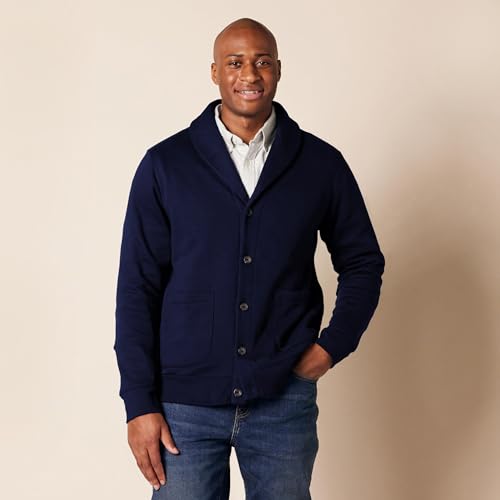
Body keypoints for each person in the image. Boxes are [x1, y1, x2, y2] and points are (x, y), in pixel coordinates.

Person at [114, 17, 385, 500]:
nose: (249, 74)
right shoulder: (166, 165)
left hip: (282, 401)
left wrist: (330, 347)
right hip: (183, 408)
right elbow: (138, 287)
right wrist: (139, 403)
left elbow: (363, 261)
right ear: (215, 72)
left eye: (262, 62)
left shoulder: (320, 164)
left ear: (278, 69)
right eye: (235, 62)